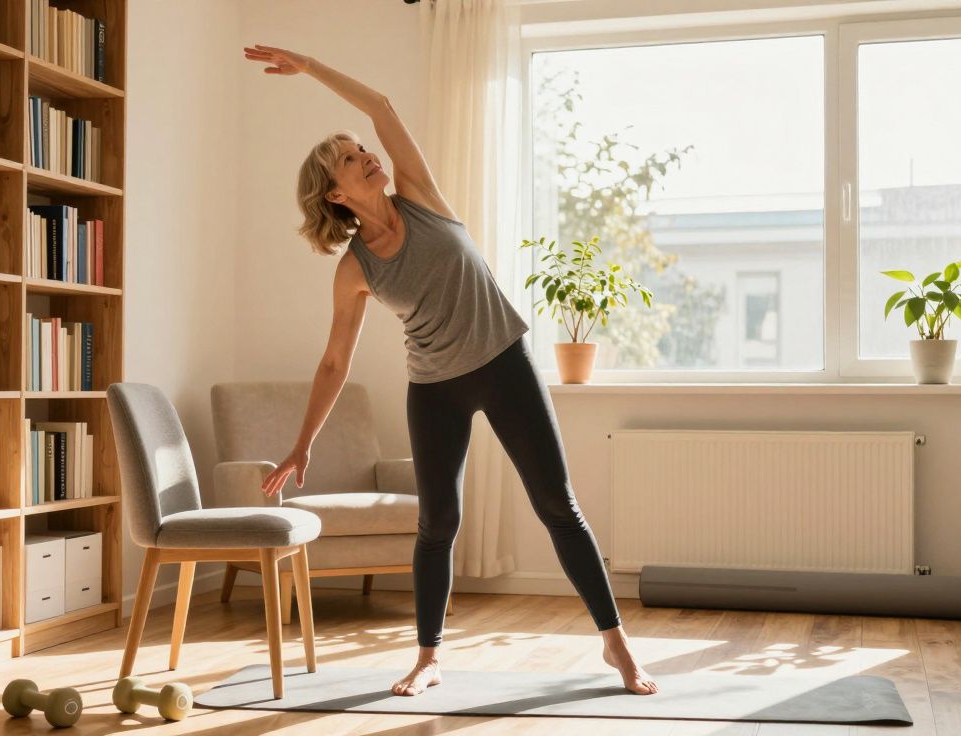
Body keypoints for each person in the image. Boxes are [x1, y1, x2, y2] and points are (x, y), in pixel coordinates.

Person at [242, 43, 658, 698]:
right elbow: (334, 360)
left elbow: (382, 107)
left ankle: (616, 643)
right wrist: (302, 443)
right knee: (438, 523)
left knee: (557, 504)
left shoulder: (419, 194)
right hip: (435, 387)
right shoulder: (355, 269)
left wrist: (312, 67)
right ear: (336, 193)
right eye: (350, 158)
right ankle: (428, 657)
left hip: (504, 363)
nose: (366, 155)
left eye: (361, 148)